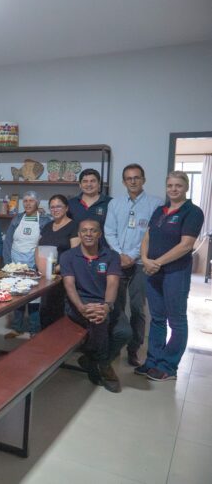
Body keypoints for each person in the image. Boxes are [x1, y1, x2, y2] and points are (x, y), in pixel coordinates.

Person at [136, 171, 204, 381]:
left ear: (186, 187)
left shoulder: (192, 212)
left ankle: (168, 365)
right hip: (152, 271)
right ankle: (153, 361)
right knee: (157, 318)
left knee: (176, 320)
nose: (174, 189)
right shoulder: (160, 210)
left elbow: (186, 245)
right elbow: (147, 236)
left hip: (175, 273)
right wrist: (145, 259)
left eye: (178, 185)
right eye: (170, 185)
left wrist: (157, 263)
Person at [60, 218, 129, 393]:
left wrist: (106, 306)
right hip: (79, 305)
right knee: (99, 323)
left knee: (125, 332)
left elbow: (112, 284)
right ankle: (105, 369)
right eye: (84, 231)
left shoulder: (111, 256)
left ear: (100, 234)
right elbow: (69, 286)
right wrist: (82, 308)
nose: (88, 234)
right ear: (79, 234)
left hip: (106, 303)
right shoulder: (68, 256)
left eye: (93, 230)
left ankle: (95, 361)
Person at [104, 164, 163, 366]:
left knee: (138, 308)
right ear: (123, 182)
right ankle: (115, 346)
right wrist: (120, 255)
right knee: (116, 306)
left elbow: (152, 235)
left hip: (140, 263)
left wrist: (132, 255)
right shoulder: (115, 204)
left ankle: (133, 349)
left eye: (137, 177)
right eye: (129, 178)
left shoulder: (156, 204)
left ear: (143, 179)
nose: (133, 181)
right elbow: (109, 231)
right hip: (118, 261)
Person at [3, 191, 52, 338]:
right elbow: (8, 241)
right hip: (15, 263)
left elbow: (45, 243)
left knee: (34, 298)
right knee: (17, 297)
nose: (28, 203)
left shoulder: (44, 220)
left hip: (33, 263)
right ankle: (16, 328)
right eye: (25, 201)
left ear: (37, 202)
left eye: (31, 201)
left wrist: (40, 266)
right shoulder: (17, 218)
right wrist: (8, 263)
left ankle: (34, 330)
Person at [39, 194, 80, 329]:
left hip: (63, 277)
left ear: (66, 208)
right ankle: (44, 345)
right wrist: (41, 268)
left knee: (60, 316)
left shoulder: (74, 226)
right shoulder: (47, 226)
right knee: (45, 312)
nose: (55, 210)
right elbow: (39, 248)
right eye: (52, 207)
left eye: (58, 206)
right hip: (46, 277)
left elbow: (75, 254)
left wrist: (56, 268)